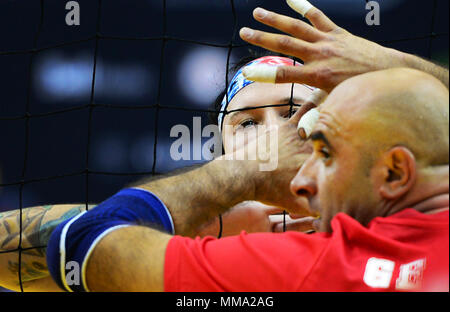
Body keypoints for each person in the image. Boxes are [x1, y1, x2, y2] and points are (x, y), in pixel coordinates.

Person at [44, 67, 449, 292]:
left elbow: (80, 244)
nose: (273, 137)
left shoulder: (319, 260)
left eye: (294, 111)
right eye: (249, 123)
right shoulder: (193, 245)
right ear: (221, 152)